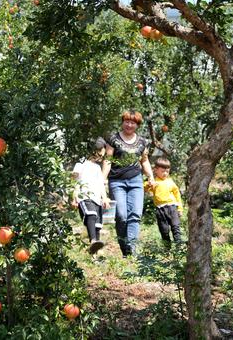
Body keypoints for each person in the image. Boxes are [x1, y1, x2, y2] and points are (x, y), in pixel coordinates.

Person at [102, 110, 155, 257]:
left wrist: (150, 176)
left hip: (136, 181)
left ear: (137, 125)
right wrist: (102, 179)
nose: (129, 125)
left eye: (133, 122)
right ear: (122, 122)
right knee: (121, 216)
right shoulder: (113, 139)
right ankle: (125, 249)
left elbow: (144, 160)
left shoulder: (142, 142)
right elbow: (108, 159)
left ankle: (133, 251)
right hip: (117, 181)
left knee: (135, 214)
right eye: (127, 121)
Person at [72, 137, 110, 255]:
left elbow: (100, 184)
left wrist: (104, 198)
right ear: (93, 150)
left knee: (97, 226)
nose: (101, 157)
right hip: (84, 197)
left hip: (97, 199)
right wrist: (74, 197)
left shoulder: (98, 168)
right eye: (100, 154)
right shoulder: (81, 164)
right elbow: (74, 181)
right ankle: (93, 240)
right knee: (91, 215)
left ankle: (95, 253)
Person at [145, 157, 183, 245]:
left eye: (167, 171)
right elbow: (144, 188)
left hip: (172, 207)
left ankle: (179, 247)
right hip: (160, 210)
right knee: (164, 230)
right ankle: (167, 249)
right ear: (155, 170)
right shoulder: (154, 182)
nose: (165, 173)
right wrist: (148, 184)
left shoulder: (170, 182)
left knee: (176, 227)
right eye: (162, 171)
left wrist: (180, 208)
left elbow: (177, 195)